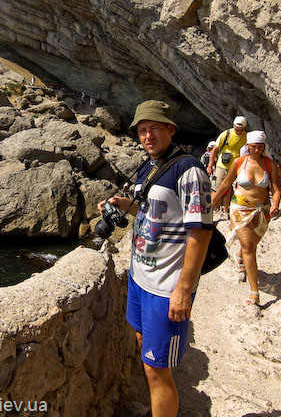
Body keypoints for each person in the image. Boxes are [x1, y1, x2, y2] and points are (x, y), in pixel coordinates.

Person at [99, 100, 213, 417]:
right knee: (142, 343)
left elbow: (201, 232)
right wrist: (122, 203)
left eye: (155, 129)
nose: (148, 136)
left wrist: (183, 289)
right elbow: (150, 211)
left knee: (156, 370)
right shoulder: (148, 166)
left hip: (166, 288)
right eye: (142, 130)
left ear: (170, 130)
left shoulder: (189, 170)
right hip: (139, 280)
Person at [211, 131, 281, 306]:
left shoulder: (270, 164)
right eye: (253, 146)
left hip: (261, 210)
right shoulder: (239, 162)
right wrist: (212, 201)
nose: (256, 150)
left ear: (264, 147)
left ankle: (241, 255)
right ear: (247, 146)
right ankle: (254, 292)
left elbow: (276, 188)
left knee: (251, 244)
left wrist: (276, 204)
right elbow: (226, 183)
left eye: (259, 147)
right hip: (239, 208)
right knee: (250, 246)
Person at [207, 116, 248, 217]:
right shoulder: (226, 134)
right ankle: (209, 211)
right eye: (236, 129)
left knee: (231, 189)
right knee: (217, 188)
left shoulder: (246, 137)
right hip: (222, 166)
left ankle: (226, 210)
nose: (238, 131)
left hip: (238, 168)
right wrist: (210, 165)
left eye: (240, 130)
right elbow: (215, 149)